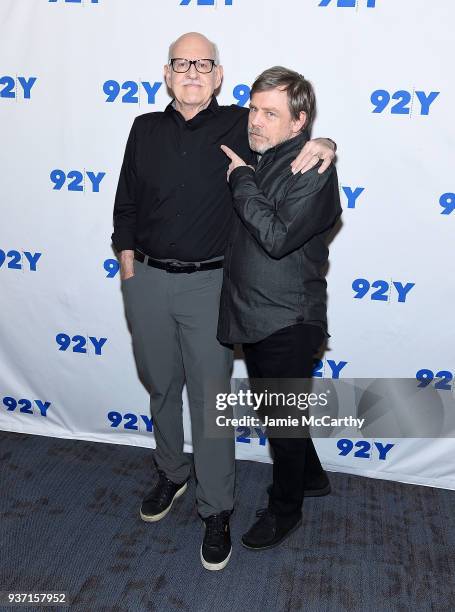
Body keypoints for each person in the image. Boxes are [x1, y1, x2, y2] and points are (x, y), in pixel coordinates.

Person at [112, 32, 336, 571]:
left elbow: (294, 131)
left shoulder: (242, 123)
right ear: (167, 74)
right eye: (181, 63)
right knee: (160, 386)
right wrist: (125, 254)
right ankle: (171, 473)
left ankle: (217, 509)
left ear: (218, 77)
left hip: (209, 286)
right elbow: (126, 199)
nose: (191, 71)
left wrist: (328, 145)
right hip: (146, 279)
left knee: (210, 403)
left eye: (203, 64)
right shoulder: (143, 129)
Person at [217, 66, 342, 550]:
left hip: (289, 317)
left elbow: (274, 238)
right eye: (253, 108)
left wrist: (242, 180)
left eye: (270, 113)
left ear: (299, 123)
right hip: (259, 313)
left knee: (283, 422)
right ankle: (311, 477)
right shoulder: (266, 154)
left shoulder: (310, 167)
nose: (255, 120)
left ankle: (285, 510)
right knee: (279, 414)